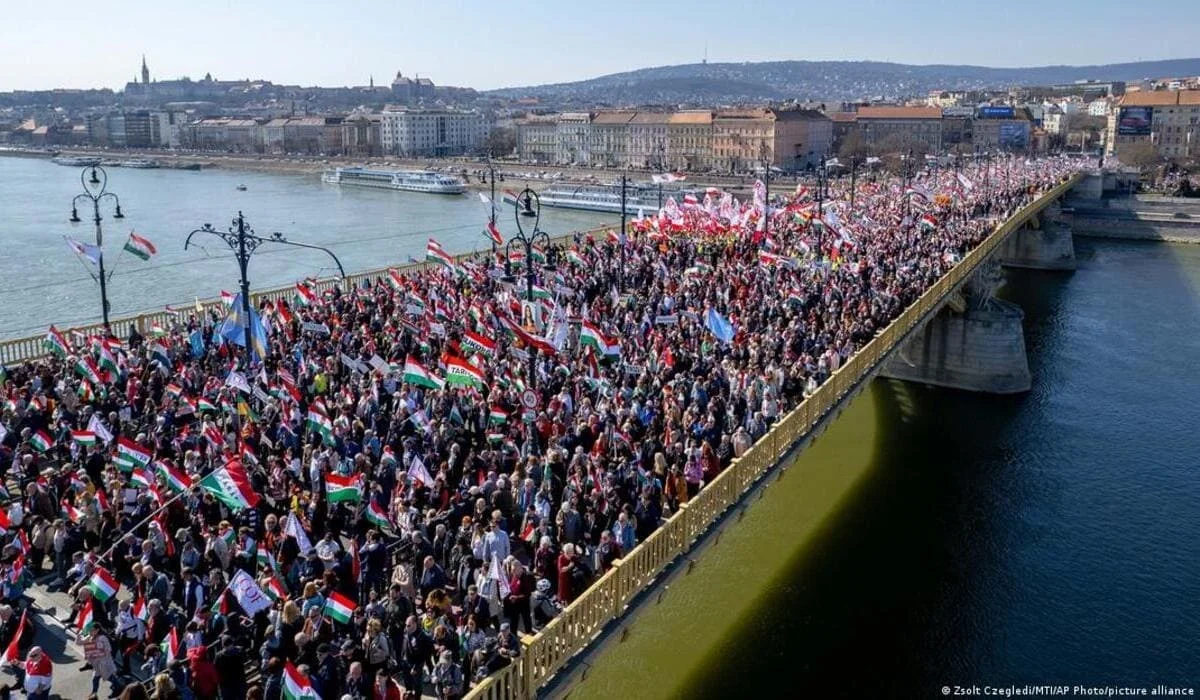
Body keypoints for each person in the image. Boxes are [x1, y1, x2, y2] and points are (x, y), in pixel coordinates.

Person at [82, 625, 121, 698]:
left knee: (108, 677)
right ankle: (94, 693)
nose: (90, 632)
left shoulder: (103, 638)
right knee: (96, 678)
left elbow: (108, 650)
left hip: (105, 661)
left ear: (97, 630)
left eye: (92, 630)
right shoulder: (95, 637)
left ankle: (118, 688)